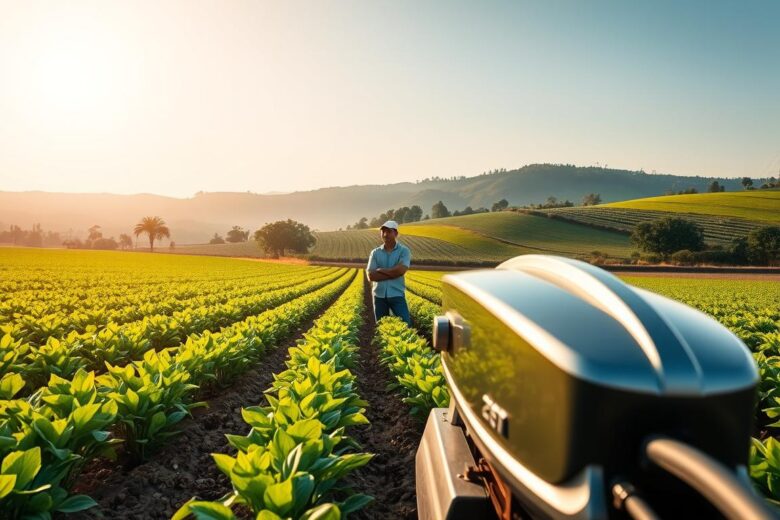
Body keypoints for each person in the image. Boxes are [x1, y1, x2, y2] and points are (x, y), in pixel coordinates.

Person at [366, 220, 412, 325]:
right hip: (379, 296)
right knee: (381, 327)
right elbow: (371, 275)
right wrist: (393, 272)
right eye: (383, 231)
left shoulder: (404, 251)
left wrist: (381, 270)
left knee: (406, 325)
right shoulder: (375, 252)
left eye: (389, 231)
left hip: (397, 295)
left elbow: (401, 271)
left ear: (396, 233)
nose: (385, 234)